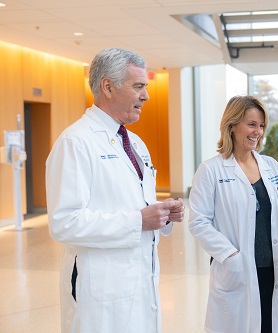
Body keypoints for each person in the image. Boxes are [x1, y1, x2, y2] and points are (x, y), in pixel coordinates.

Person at [45, 48, 184, 333]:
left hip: (139, 279)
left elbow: (131, 201)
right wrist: (138, 220)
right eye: (138, 87)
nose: (146, 96)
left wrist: (162, 213)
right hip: (100, 289)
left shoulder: (134, 142)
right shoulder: (75, 142)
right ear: (108, 86)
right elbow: (64, 223)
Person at [188, 95, 278, 333]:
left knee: (269, 325)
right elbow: (199, 222)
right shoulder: (210, 170)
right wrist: (229, 256)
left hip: (273, 266)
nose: (257, 132)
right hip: (237, 270)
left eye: (261, 126)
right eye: (251, 124)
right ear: (232, 124)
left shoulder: (272, 166)